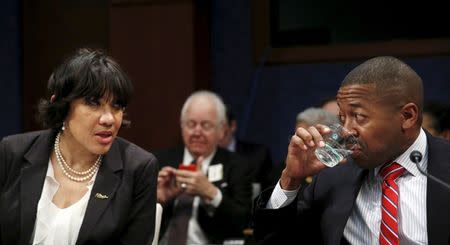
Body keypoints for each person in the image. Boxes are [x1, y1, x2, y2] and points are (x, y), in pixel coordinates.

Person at [253, 56, 450, 244]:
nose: (346, 131)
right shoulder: (332, 178)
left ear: (407, 116)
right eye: (341, 118)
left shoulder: (443, 172)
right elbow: (274, 241)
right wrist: (290, 179)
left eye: (359, 117)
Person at [0, 48, 158, 245]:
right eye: (94, 103)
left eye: (116, 106)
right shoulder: (13, 152)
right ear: (62, 106)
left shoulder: (138, 169)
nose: (109, 119)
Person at [155, 90, 252, 245]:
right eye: (191, 124)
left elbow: (244, 221)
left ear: (222, 131)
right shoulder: (159, 161)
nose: (197, 132)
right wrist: (157, 199)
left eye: (206, 125)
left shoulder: (237, 166)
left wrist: (211, 193)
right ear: (181, 126)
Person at [219, 104, 274, 197]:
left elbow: (268, 196)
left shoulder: (258, 155)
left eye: (220, 125)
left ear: (232, 126)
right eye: (209, 125)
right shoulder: (199, 156)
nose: (215, 131)